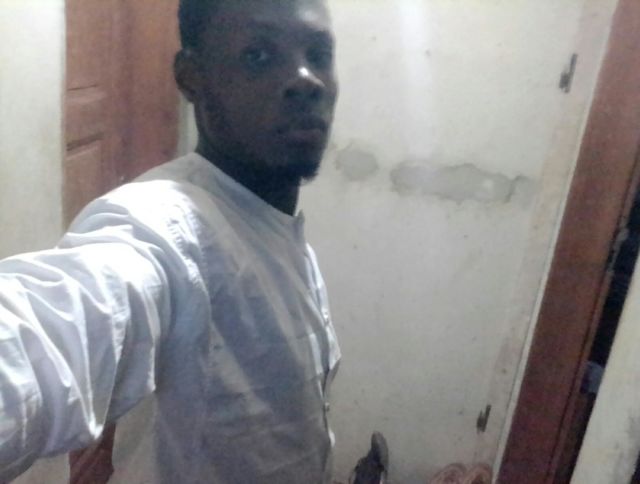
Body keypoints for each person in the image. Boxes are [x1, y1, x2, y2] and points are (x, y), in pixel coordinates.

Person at [0, 0, 341, 482]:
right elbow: (55, 326)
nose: (306, 79)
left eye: (318, 54)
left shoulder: (276, 228)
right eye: (258, 55)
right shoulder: (169, 229)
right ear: (191, 77)